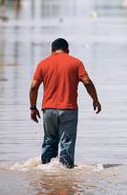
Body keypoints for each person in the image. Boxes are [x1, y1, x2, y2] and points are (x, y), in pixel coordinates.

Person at [29, 38, 101, 168]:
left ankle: (45, 172)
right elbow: (87, 82)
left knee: (49, 141)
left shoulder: (43, 64)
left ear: (51, 51)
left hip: (48, 110)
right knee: (66, 143)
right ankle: (65, 174)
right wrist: (95, 100)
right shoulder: (76, 63)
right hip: (69, 109)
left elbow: (34, 87)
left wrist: (33, 108)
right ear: (68, 49)